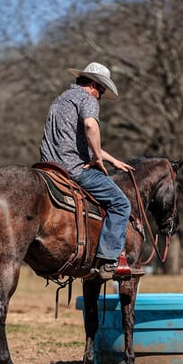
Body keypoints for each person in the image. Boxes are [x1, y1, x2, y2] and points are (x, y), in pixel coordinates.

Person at [39, 61, 144, 280]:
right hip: (73, 169)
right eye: (102, 90)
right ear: (94, 84)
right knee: (120, 203)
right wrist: (97, 158)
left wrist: (112, 160)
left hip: (49, 166)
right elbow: (90, 127)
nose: (100, 96)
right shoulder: (87, 99)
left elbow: (77, 140)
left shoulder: (61, 100)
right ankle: (108, 261)